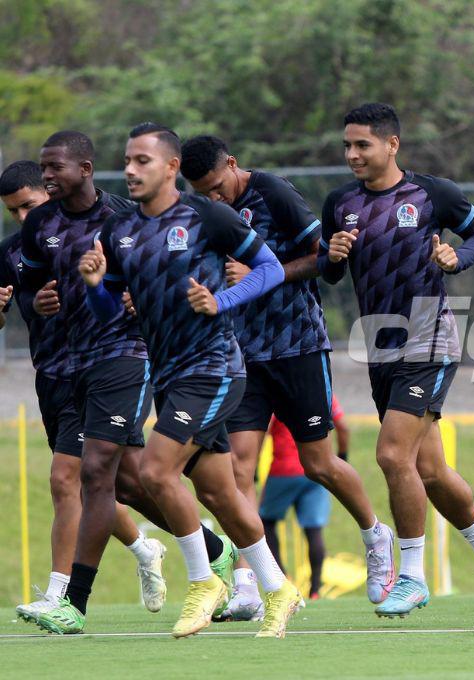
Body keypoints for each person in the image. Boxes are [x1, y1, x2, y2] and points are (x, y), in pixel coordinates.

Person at [68, 122, 301, 638]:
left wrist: (222, 301)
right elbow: (112, 311)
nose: (130, 169)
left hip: (216, 367)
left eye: (143, 161)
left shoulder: (206, 216)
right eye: (127, 160)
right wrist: (92, 287)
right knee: (219, 494)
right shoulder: (119, 232)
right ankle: (279, 587)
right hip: (171, 375)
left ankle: (203, 580)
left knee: (154, 472)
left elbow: (270, 269)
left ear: (172, 167)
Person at [318, 102, 474, 620]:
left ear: (392, 144)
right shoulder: (341, 202)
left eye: (363, 144)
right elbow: (331, 272)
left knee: (391, 457)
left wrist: (458, 257)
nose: (353, 154)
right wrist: (332, 256)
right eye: (347, 145)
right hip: (380, 346)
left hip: (429, 340)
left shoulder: (432, 194)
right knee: (429, 469)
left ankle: (411, 576)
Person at [180, 135, 394, 620]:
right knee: (238, 469)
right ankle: (248, 584)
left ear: (233, 164)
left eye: (217, 186)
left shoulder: (272, 193)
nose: (213, 198)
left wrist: (260, 274)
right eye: (202, 191)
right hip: (241, 355)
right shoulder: (199, 213)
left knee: (319, 464)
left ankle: (374, 535)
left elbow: (325, 260)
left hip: (297, 345)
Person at [16, 136, 202, 628]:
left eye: (54, 167)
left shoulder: (123, 217)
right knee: (131, 482)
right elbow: (32, 284)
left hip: (124, 354)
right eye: (42, 167)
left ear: (85, 168)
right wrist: (37, 301)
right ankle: (211, 551)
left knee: (81, 474)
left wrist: (143, 299)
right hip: (65, 366)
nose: (47, 176)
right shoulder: (40, 223)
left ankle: (69, 599)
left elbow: (161, 271)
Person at [260, 395, 348, 600]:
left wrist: (252, 468)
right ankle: (315, 590)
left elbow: (261, 430)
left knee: (265, 522)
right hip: (316, 470)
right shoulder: (324, 392)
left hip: (283, 470)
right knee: (313, 530)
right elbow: (343, 426)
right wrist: (342, 458)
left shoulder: (276, 390)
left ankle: (283, 580)